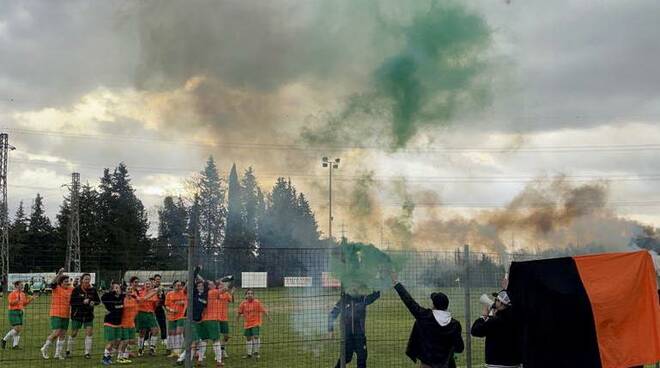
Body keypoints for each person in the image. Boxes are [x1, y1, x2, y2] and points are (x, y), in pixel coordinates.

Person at [391, 273, 464, 368]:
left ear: (433, 305)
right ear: (446, 306)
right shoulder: (455, 324)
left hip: (427, 365)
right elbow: (459, 347)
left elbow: (409, 302)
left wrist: (397, 284)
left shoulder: (425, 316)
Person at [328, 286, 380, 368]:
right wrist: (330, 330)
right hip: (347, 337)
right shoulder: (343, 300)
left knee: (362, 359)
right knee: (346, 358)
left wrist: (377, 282)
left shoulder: (363, 299)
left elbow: (376, 295)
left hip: (360, 336)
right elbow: (332, 314)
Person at [471, 290, 521, 368]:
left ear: (501, 303)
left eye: (496, 300)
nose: (494, 302)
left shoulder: (495, 320)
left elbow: (475, 331)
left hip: (495, 363)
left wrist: (483, 316)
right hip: (514, 362)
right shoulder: (518, 318)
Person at [40, 268, 73, 360]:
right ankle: (44, 348)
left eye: (68, 281)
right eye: (65, 281)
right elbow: (52, 283)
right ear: (61, 282)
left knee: (63, 334)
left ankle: (57, 354)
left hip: (66, 315)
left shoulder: (70, 289)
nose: (67, 283)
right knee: (56, 332)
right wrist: (59, 274)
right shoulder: (56, 288)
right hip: (56, 313)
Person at [176, 278, 208, 366]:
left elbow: (204, 308)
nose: (200, 287)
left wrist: (202, 318)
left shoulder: (205, 296)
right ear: (196, 287)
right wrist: (196, 271)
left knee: (198, 341)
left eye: (202, 285)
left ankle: (181, 359)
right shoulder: (193, 294)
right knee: (195, 341)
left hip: (198, 321)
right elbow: (191, 280)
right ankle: (187, 361)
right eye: (198, 286)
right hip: (190, 320)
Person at [68, 273, 101, 359]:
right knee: (74, 333)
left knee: (89, 333)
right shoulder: (76, 290)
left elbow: (98, 301)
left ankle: (87, 353)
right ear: (82, 280)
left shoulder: (93, 290)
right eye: (85, 279)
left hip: (88, 315)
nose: (87, 280)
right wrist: (82, 302)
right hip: (77, 315)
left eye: (88, 279)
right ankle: (69, 350)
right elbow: (72, 302)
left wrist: (94, 302)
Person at [2, 280, 37, 349]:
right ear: (16, 286)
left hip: (20, 312)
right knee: (17, 328)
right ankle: (4, 339)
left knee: (18, 329)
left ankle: (15, 345)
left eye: (22, 285)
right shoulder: (12, 294)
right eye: (21, 285)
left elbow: (24, 304)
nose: (22, 286)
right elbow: (10, 303)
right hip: (13, 312)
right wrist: (16, 300)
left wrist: (31, 299)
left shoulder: (22, 294)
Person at [237, 289, 270, 359]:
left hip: (255, 323)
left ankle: (256, 352)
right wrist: (237, 319)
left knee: (256, 336)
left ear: (253, 295)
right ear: (246, 295)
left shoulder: (257, 302)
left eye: (251, 293)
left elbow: (263, 310)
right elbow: (239, 312)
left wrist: (268, 317)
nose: (250, 295)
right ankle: (249, 354)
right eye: (248, 293)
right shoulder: (243, 303)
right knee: (248, 338)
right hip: (247, 324)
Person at [101, 281, 124, 366]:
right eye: (116, 288)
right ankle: (105, 358)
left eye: (119, 288)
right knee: (110, 342)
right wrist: (112, 292)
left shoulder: (122, 297)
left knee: (117, 342)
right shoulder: (109, 297)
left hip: (119, 323)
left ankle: (109, 357)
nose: (118, 289)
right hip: (109, 322)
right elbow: (103, 297)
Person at [136, 279, 161, 356]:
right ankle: (140, 348)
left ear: (151, 285)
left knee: (155, 330)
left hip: (150, 313)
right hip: (141, 313)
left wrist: (159, 297)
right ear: (144, 285)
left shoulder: (154, 293)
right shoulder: (140, 292)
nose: (147, 285)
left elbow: (156, 304)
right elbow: (140, 300)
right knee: (142, 331)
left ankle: (152, 348)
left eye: (149, 284)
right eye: (146, 283)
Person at [165, 280, 187, 358]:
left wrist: (182, 302)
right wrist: (171, 310)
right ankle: (173, 351)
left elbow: (187, 301)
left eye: (180, 285)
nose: (179, 287)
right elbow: (166, 305)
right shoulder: (169, 294)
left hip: (181, 315)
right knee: (172, 333)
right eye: (177, 285)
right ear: (174, 286)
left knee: (178, 332)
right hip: (171, 316)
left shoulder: (183, 293)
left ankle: (178, 351)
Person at [151, 274, 168, 352]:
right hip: (152, 308)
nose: (158, 280)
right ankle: (146, 339)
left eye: (159, 279)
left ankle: (164, 338)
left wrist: (165, 306)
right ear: (154, 280)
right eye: (157, 279)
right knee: (151, 325)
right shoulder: (151, 288)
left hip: (160, 308)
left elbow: (163, 298)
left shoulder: (162, 288)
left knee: (163, 322)